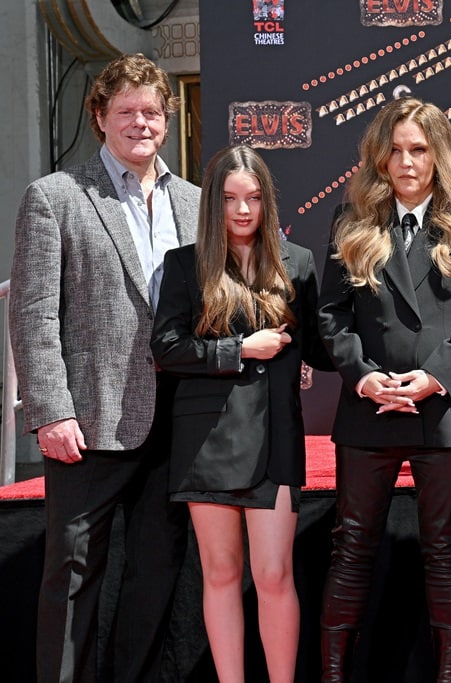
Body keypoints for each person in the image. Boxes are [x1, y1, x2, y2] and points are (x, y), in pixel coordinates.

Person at [9, 53, 195, 682]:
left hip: (178, 420)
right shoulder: (56, 197)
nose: (140, 123)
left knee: (157, 570)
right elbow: (33, 315)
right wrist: (51, 411)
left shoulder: (195, 203)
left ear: (166, 121)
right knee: (72, 574)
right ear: (99, 118)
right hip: (88, 421)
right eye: (126, 112)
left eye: (151, 112)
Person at [317, 97, 451, 683]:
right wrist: (365, 376)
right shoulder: (351, 224)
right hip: (369, 411)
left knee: (445, 550)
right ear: (379, 157)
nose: (405, 161)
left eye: (418, 149)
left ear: (439, 154)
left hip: (442, 412)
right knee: (350, 550)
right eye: (394, 150)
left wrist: (435, 377)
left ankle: (449, 677)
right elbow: (330, 315)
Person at [151, 145, 330, 682]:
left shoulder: (297, 262)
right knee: (222, 574)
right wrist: (239, 350)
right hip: (206, 441)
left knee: (274, 575)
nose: (243, 210)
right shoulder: (185, 263)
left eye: (253, 198)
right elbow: (167, 348)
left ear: (268, 201)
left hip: (276, 438)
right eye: (230, 199)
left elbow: (322, 347)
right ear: (214, 204)